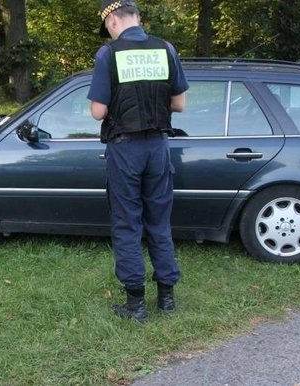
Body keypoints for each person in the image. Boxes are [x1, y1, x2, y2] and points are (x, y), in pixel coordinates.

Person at [87, 0, 189, 323]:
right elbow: (180, 104)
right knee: (159, 221)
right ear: (137, 18)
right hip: (158, 147)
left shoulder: (108, 54)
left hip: (125, 148)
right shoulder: (166, 49)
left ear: (113, 22)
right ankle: (167, 299)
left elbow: (98, 112)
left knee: (128, 224)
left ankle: (136, 304)